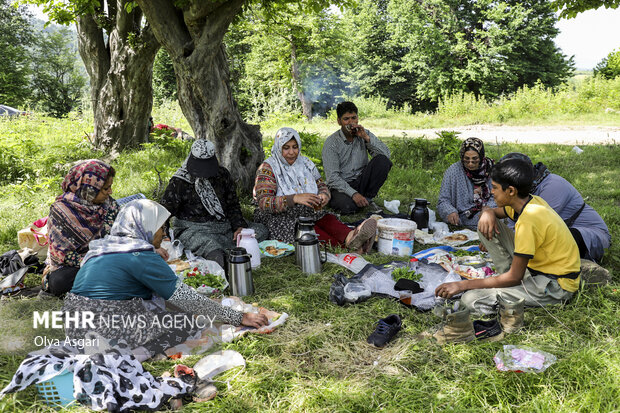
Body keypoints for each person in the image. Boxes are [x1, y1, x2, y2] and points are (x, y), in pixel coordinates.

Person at [64, 199, 268, 360]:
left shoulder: (105, 248)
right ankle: (135, 354)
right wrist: (239, 317)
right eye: (161, 227)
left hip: (75, 327)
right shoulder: (141, 257)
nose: (164, 233)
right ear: (145, 227)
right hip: (104, 331)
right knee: (189, 323)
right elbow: (183, 298)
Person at [435, 159, 581, 317]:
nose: (492, 192)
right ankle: (504, 280)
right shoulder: (529, 203)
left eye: (495, 188)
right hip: (535, 271)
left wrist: (462, 285)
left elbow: (515, 277)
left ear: (511, 191)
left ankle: (506, 287)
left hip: (555, 286)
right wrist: (488, 212)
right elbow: (493, 212)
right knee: (485, 222)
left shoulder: (529, 220)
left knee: (470, 299)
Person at [253, 127, 377, 252]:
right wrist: (294, 198)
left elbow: (321, 185)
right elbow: (264, 202)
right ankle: (350, 247)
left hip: (307, 211)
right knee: (308, 230)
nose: (291, 152)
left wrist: (324, 195)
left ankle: (350, 237)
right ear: (279, 148)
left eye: (295, 147)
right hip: (280, 217)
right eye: (286, 148)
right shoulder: (268, 168)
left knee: (327, 219)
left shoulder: (305, 163)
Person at [161, 139, 268, 264]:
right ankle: (220, 255)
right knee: (209, 244)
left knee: (260, 230)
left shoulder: (222, 175)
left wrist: (238, 227)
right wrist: (164, 237)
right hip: (193, 229)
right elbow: (164, 213)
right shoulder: (179, 181)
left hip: (223, 226)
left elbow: (232, 204)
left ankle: (228, 247)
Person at [500, 152, 610, 263]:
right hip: (557, 235)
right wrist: (489, 214)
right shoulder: (519, 191)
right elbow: (514, 226)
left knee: (549, 240)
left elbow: (536, 227)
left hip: (591, 238)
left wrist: (507, 243)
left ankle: (584, 267)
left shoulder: (553, 185)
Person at [45, 160, 119, 296]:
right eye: (105, 188)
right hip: (78, 265)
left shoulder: (109, 205)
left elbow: (123, 234)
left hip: (108, 259)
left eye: (110, 187)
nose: (110, 192)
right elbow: (62, 255)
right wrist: (94, 260)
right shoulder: (61, 211)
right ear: (89, 189)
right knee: (59, 281)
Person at [322, 101, 392, 214]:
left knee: (382, 161)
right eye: (346, 119)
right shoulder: (332, 143)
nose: (351, 123)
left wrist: (366, 138)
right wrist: (353, 194)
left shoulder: (364, 133)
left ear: (358, 118)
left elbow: (386, 155)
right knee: (347, 207)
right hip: (342, 185)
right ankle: (358, 201)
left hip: (361, 180)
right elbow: (332, 178)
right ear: (339, 121)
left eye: (354, 118)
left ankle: (368, 199)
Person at [437, 138, 496, 230]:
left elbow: (497, 197)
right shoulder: (453, 171)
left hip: (487, 212)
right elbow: (443, 200)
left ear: (481, 157)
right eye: (466, 159)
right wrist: (450, 212)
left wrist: (488, 210)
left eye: (475, 159)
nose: (470, 164)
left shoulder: (491, 170)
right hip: (462, 216)